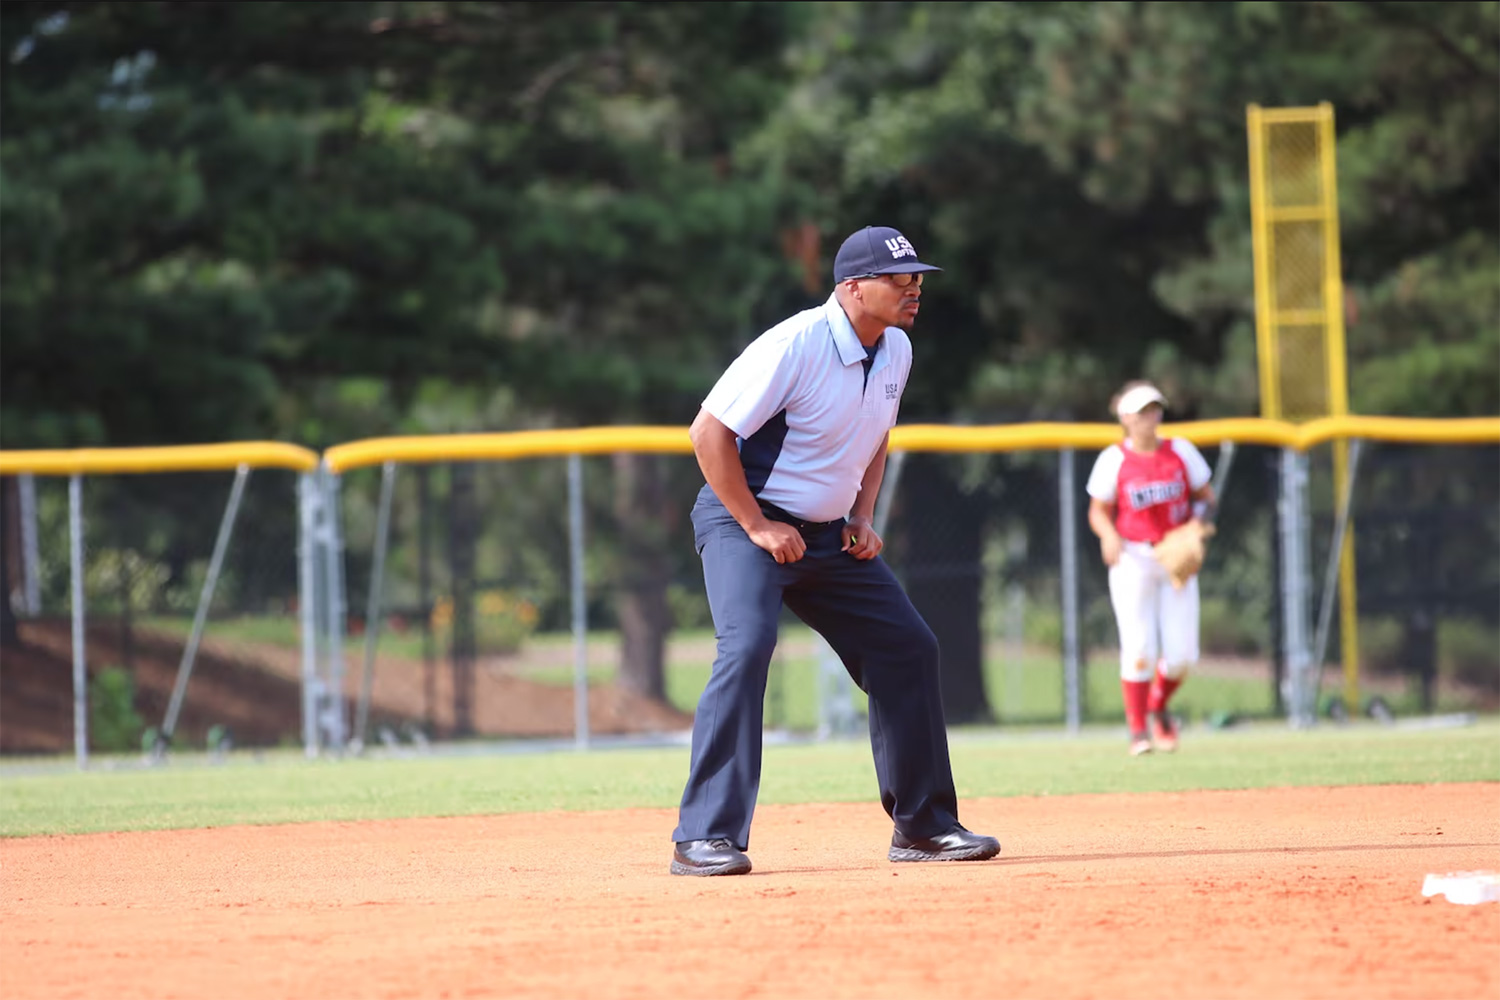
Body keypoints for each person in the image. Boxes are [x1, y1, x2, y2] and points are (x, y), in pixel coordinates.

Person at [670, 225, 1002, 876]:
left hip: (827, 534)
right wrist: (758, 526)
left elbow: (877, 434)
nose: (914, 290)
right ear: (852, 288)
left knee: (908, 647)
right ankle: (704, 836)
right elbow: (707, 433)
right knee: (746, 648)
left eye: (918, 279)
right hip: (747, 524)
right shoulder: (795, 344)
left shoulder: (897, 349)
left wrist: (862, 512)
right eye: (898, 279)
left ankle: (924, 827)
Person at [1086, 380, 1216, 756]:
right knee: (1139, 646)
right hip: (1134, 558)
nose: (1150, 417)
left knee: (1181, 656)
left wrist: (1197, 526)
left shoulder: (1181, 451)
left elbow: (1206, 499)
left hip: (1176, 557)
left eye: (1155, 409)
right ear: (1125, 417)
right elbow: (1098, 510)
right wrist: (1108, 536)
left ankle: (1157, 705)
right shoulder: (1115, 458)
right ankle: (1138, 729)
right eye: (1142, 411)